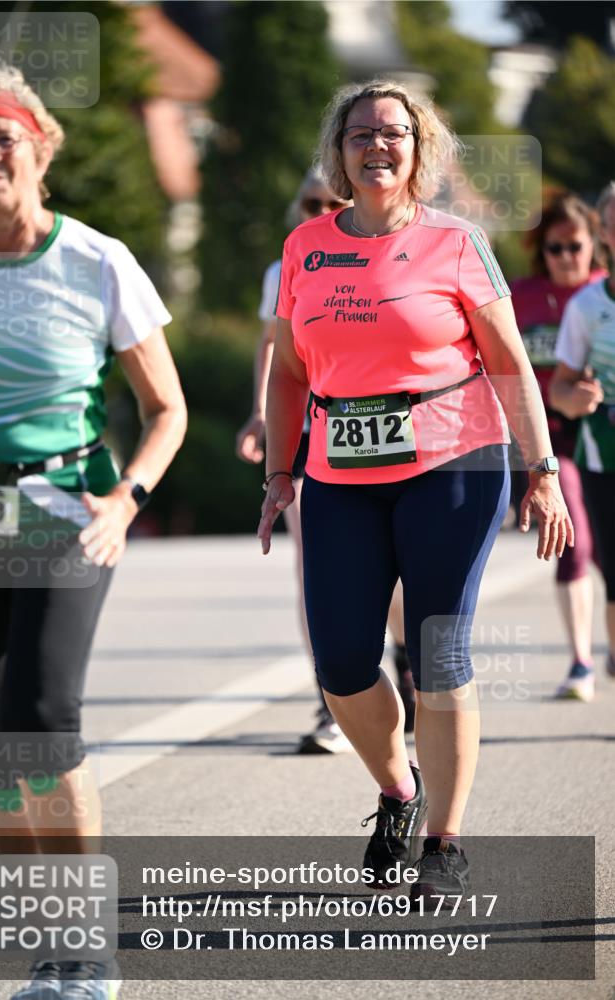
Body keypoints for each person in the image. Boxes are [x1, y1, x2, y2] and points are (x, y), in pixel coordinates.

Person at [258, 79, 572, 904]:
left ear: (417, 147)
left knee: (438, 654)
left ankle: (444, 841)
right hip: (337, 476)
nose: (376, 146)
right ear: (339, 151)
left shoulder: (456, 243)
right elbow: (288, 370)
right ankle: (398, 791)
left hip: (452, 465)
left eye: (392, 133)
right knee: (341, 663)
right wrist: (279, 472)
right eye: (359, 134)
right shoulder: (306, 250)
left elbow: (508, 362)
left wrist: (541, 473)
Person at [0, 65, 187, 1000]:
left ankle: (85, 953)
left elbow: (164, 408)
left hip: (62, 515)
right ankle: (43, 936)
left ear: (40, 150)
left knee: (43, 721)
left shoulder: (95, 260)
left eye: (4, 138)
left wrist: (127, 500)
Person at [237, 171, 415, 751]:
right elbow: (274, 348)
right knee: (315, 570)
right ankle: (331, 701)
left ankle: (406, 666)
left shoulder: (394, 250)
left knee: (392, 575)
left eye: (328, 202)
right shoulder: (290, 262)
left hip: (387, 428)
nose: (316, 210)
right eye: (308, 202)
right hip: (316, 431)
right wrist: (263, 416)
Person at [511, 194, 607, 700]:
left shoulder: (603, 295)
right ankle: (581, 661)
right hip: (548, 436)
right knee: (574, 538)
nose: (567, 257)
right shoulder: (519, 297)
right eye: (555, 248)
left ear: (595, 245)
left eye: (576, 246)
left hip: (603, 431)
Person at [550, 181, 615, 689]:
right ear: (605, 232)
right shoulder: (588, 307)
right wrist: (575, 399)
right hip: (599, 454)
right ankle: (599, 660)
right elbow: (560, 387)